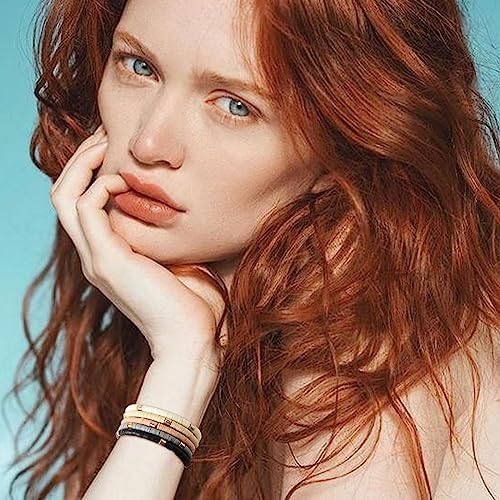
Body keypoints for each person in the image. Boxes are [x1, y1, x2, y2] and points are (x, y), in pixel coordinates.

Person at [4, 0, 499, 498]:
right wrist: (183, 354)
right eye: (140, 67)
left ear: (346, 146)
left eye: (235, 106)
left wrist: (180, 373)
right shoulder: (201, 288)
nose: (148, 143)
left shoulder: (372, 333)